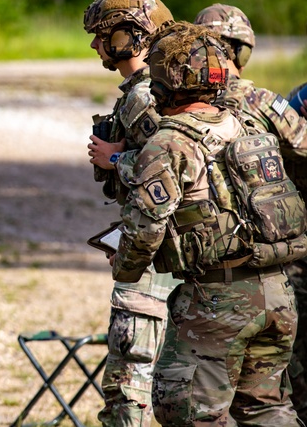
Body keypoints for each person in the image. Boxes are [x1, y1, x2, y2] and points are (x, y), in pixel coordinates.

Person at [112, 21, 306, 426]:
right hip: (278, 292)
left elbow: (144, 229)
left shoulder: (168, 142)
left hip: (218, 300)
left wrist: (126, 268)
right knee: (267, 408)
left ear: (166, 83)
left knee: (186, 412)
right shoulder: (248, 124)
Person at [195, 4, 307, 424]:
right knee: (271, 398)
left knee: (197, 403)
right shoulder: (269, 104)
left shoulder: (185, 109)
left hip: (216, 271)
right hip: (280, 268)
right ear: (243, 54)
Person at [83, 0, 180, 427]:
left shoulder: (144, 96)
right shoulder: (157, 88)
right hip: (168, 252)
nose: (95, 45)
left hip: (153, 259)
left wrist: (115, 159)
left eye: (102, 35)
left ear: (127, 35)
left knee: (129, 387)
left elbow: (172, 171)